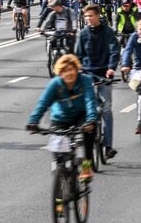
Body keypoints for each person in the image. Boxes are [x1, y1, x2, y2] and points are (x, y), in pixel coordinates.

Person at [26, 54, 97, 182]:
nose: (69, 73)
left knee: (88, 136)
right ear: (60, 73)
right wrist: (33, 121)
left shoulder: (85, 80)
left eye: (71, 69)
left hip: (81, 116)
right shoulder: (55, 84)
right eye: (64, 71)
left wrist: (91, 119)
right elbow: (43, 103)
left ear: (76, 69)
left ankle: (86, 166)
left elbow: (90, 101)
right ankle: (61, 183)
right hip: (60, 119)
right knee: (58, 153)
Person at [75, 4, 120, 159]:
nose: (88, 19)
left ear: (98, 16)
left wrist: (111, 68)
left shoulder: (107, 32)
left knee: (106, 110)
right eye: (86, 16)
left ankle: (108, 146)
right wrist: (78, 72)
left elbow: (115, 50)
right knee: (88, 110)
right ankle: (86, 139)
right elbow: (77, 56)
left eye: (91, 16)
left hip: (104, 75)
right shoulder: (83, 34)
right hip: (87, 76)